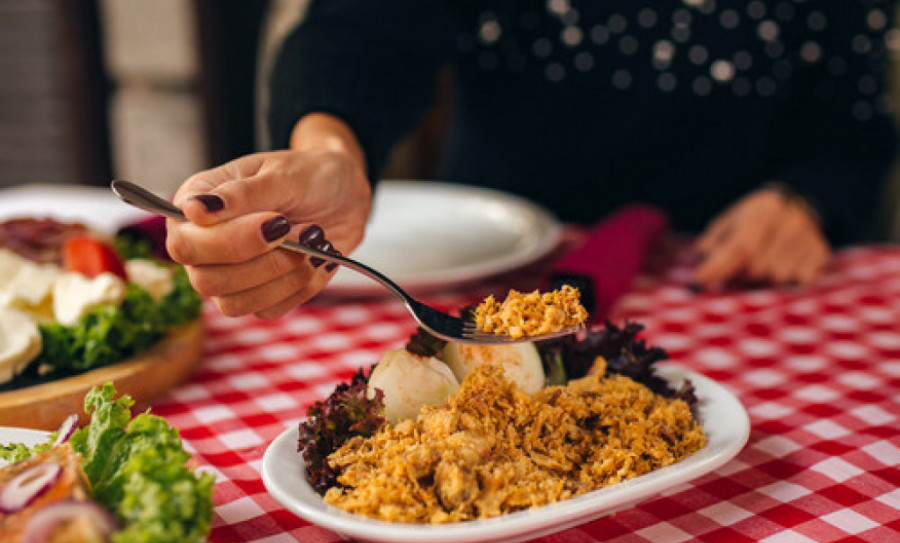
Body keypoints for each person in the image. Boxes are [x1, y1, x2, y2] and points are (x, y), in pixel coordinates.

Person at [166, 0, 898, 319]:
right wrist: (332, 156)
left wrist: (808, 196)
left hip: (732, 274)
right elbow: (361, 29)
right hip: (491, 276)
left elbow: (854, 120)